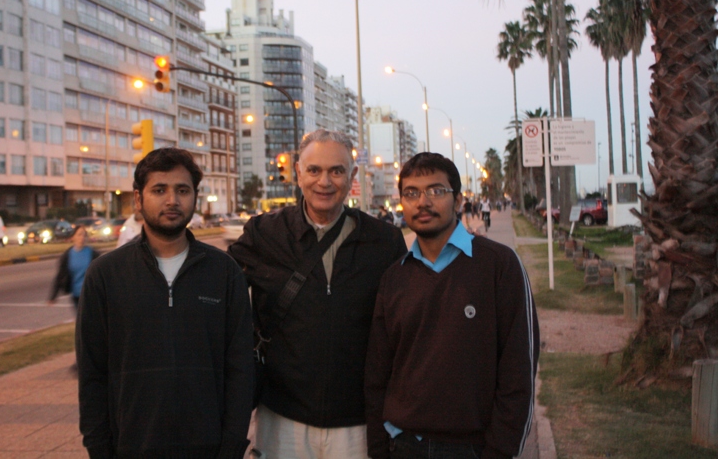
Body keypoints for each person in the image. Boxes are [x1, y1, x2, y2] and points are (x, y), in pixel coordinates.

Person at [229, 130, 408, 459]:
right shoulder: (263, 233)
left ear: (352, 176)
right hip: (282, 416)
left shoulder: (384, 241)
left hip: (357, 422)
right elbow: (216, 290)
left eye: (336, 171)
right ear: (298, 172)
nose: (324, 181)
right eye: (314, 170)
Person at [77, 148, 254, 459]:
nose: (172, 200)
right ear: (138, 198)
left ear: (195, 198)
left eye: (182, 190)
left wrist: (233, 442)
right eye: (159, 190)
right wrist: (98, 447)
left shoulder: (224, 272)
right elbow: (92, 372)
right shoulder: (105, 275)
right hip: (130, 446)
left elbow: (240, 367)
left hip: (210, 449)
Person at [365, 152, 539, 459]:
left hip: (472, 449)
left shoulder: (499, 265)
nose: (423, 202)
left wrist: (500, 451)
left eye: (436, 191)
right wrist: (381, 449)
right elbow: (378, 375)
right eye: (412, 193)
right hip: (403, 447)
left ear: (458, 201)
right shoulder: (394, 277)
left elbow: (518, 372)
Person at [48, 224, 100, 312]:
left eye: (84, 235)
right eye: (79, 235)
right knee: (81, 321)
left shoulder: (93, 254)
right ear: (73, 237)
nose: (82, 237)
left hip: (90, 294)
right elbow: (60, 276)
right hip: (76, 295)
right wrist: (53, 296)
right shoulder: (68, 255)